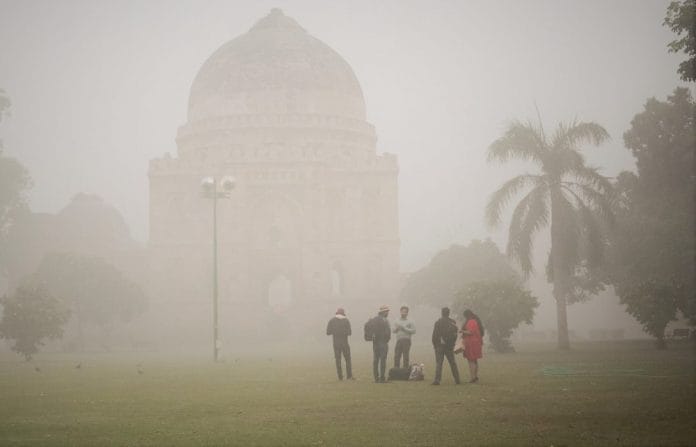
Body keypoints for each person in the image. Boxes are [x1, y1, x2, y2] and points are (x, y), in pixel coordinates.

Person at [431, 307, 461, 385]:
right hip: (449, 346)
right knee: (452, 363)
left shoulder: (438, 322)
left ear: (442, 313)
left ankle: (437, 380)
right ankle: (457, 379)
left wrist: (435, 344)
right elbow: (455, 334)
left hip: (439, 346)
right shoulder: (452, 322)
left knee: (439, 363)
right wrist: (452, 343)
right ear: (449, 313)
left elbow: (435, 335)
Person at [326, 308, 353, 380]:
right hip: (345, 342)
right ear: (343, 313)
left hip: (336, 343)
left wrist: (335, 331)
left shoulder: (332, 321)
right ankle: (349, 376)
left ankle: (340, 376)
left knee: (338, 360)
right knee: (348, 359)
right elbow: (350, 333)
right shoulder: (346, 321)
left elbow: (328, 332)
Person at [369, 305, 391, 383]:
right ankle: (382, 378)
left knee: (375, 360)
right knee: (383, 360)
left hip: (375, 343)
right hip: (383, 342)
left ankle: (376, 378)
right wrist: (386, 340)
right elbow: (388, 333)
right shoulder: (385, 320)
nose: (388, 313)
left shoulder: (374, 320)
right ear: (383, 312)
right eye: (387, 311)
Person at [461, 309, 484, 383]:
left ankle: (472, 377)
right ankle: (475, 376)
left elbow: (470, 332)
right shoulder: (475, 321)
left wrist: (462, 331)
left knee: (470, 360)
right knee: (474, 360)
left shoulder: (471, 321)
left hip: (471, 343)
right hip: (476, 342)